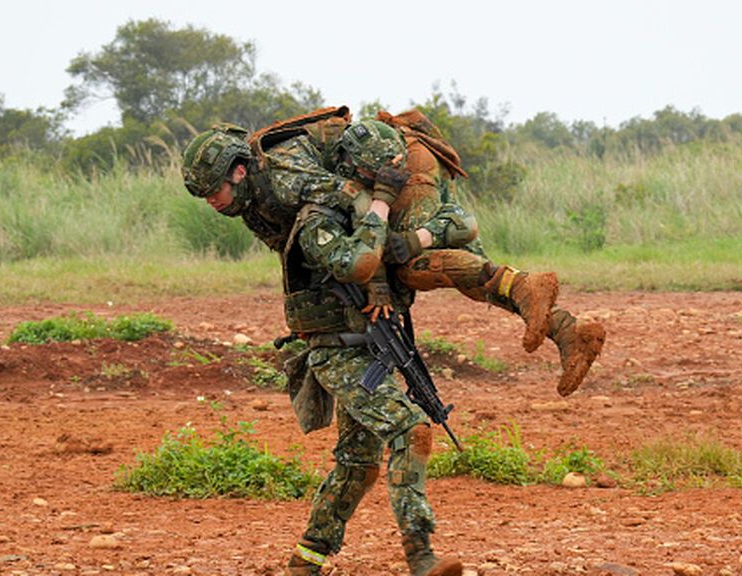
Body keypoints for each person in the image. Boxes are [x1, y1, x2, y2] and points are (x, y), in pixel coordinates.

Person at [184, 121, 463, 576]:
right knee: (410, 431)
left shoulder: (306, 191)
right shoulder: (289, 213)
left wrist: (384, 282)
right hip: (333, 345)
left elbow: (371, 227)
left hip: (364, 339)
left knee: (357, 464)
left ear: (238, 171)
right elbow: (350, 258)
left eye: (213, 190)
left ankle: (305, 560)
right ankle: (421, 556)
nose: (212, 203)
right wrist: (378, 222)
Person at [375, 109, 607, 396]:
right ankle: (567, 330)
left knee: (411, 264)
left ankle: (523, 284)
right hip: (420, 175)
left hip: (411, 174)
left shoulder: (333, 154)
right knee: (475, 278)